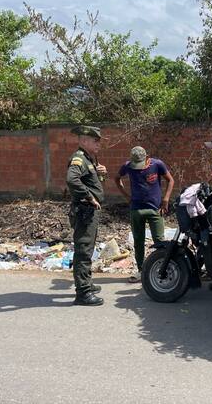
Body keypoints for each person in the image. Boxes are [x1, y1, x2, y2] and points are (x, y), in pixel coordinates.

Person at [115, 146, 174, 282]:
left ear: (147, 158)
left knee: (159, 241)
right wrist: (126, 196)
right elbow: (117, 179)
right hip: (136, 210)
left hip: (155, 210)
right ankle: (141, 270)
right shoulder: (128, 166)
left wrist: (166, 199)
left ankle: (161, 268)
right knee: (138, 241)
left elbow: (170, 180)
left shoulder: (157, 164)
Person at [66, 125, 107, 306]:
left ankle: (87, 283)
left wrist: (99, 174)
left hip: (89, 212)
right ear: (83, 141)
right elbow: (72, 179)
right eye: (95, 140)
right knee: (83, 250)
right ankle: (83, 293)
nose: (98, 144)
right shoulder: (79, 159)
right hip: (84, 211)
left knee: (88, 249)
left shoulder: (89, 159)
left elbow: (88, 180)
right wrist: (89, 197)